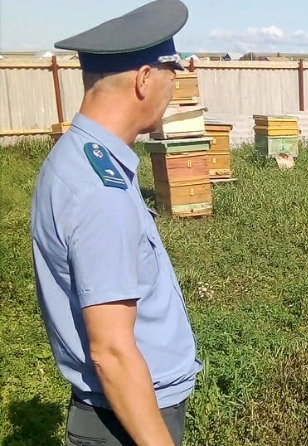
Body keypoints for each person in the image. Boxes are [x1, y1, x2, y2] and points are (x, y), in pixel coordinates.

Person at [29, 1, 203, 444]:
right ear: (144, 78)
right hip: (128, 419)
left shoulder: (81, 160)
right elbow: (112, 353)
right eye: (172, 73)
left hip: (124, 410)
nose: (173, 87)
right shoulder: (98, 191)